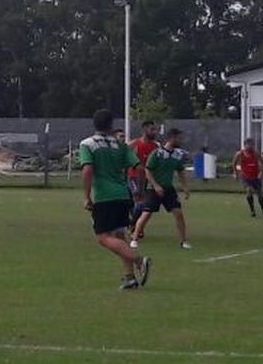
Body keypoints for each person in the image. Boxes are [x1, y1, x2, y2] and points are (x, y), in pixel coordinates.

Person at [79, 109, 151, 291]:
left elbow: (87, 170)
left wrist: (86, 197)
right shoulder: (120, 145)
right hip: (123, 195)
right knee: (120, 236)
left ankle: (139, 260)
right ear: (111, 124)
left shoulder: (87, 144)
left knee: (103, 237)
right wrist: (140, 191)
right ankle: (130, 278)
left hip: (104, 197)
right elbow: (140, 169)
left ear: (94, 124)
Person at [132, 129, 191, 249]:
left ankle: (183, 241)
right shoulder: (157, 153)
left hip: (169, 189)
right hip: (153, 189)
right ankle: (134, 238)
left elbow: (181, 171)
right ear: (171, 138)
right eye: (179, 138)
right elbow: (148, 170)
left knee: (178, 213)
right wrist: (156, 185)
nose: (181, 141)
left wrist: (185, 187)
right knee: (147, 213)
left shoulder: (177, 155)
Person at [127, 121, 161, 233]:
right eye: (152, 129)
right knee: (139, 202)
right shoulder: (134, 145)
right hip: (134, 177)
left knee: (144, 205)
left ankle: (134, 225)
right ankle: (134, 226)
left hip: (147, 179)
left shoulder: (155, 146)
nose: (155, 132)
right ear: (145, 130)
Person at [233, 138, 263, 217]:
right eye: (248, 145)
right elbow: (234, 163)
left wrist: (261, 172)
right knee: (249, 190)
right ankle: (252, 211)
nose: (250, 147)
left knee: (260, 194)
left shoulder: (256, 153)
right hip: (245, 176)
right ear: (245, 145)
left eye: (251, 145)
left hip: (255, 176)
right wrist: (235, 173)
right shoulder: (239, 154)